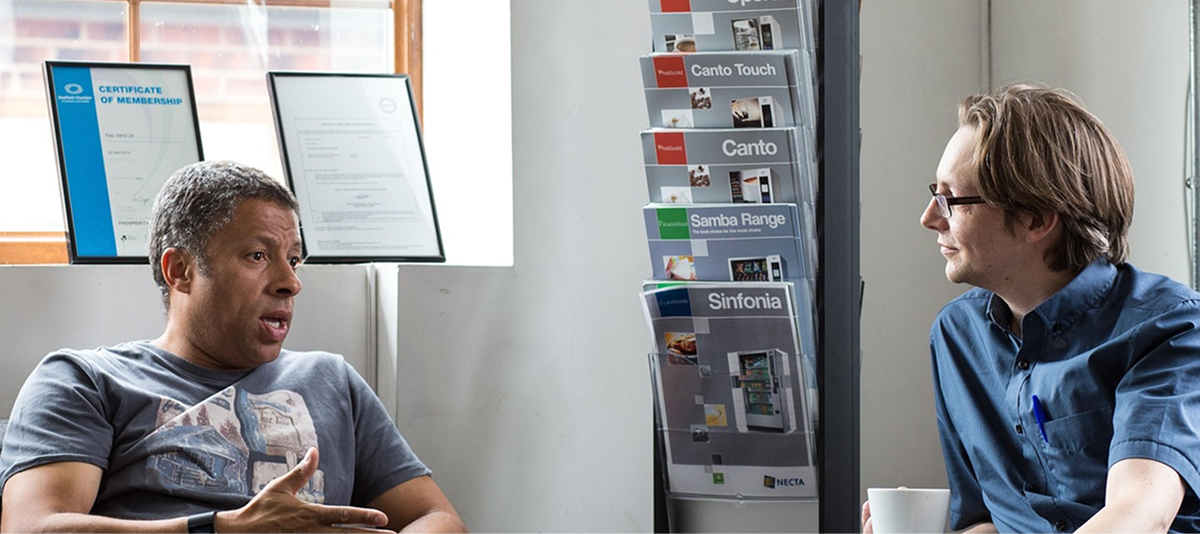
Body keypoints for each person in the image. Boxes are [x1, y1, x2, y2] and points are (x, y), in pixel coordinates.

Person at [0, 161, 466, 533]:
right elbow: (33, 527)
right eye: (258, 256)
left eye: (294, 259)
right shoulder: (83, 380)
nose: (290, 282)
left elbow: (437, 518)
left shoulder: (332, 381)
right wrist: (222, 530)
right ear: (180, 270)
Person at [864, 83, 1200, 533]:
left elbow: (1140, 516)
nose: (929, 217)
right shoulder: (957, 335)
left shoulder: (1171, 325)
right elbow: (985, 523)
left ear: (1036, 220)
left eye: (950, 198)